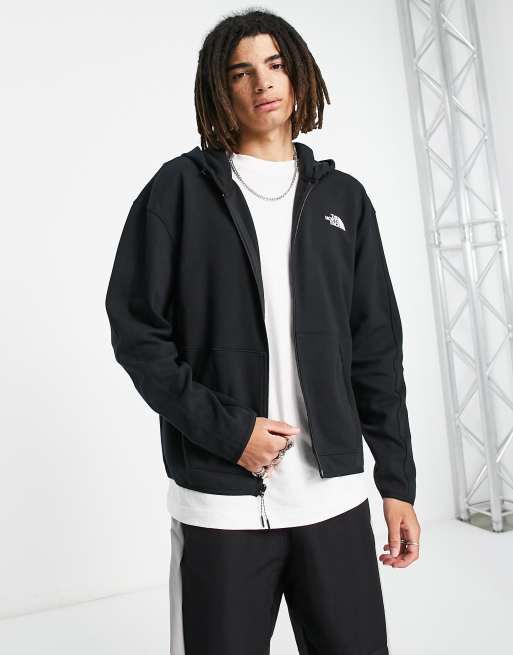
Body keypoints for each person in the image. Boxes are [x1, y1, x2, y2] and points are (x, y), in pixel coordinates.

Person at [105, 8, 421, 655]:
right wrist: (231, 432)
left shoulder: (344, 200)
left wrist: (396, 483)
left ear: (298, 74)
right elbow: (138, 334)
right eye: (240, 72)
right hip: (221, 504)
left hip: (332, 499)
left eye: (275, 65)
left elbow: (376, 349)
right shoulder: (178, 192)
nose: (262, 83)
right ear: (219, 89)